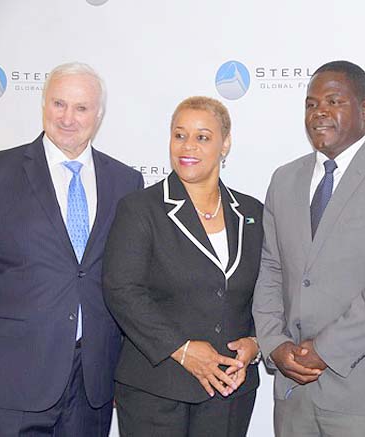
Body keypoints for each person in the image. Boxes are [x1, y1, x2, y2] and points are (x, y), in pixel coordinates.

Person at [0, 62, 143, 435]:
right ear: (44, 104)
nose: (67, 118)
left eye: (81, 108)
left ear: (98, 115)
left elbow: (128, 281)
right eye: (58, 104)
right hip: (9, 380)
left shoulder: (126, 181)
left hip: (92, 384)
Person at [252, 60, 365, 437]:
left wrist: (326, 350)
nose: (319, 112)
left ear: (364, 110)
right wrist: (274, 344)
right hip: (292, 391)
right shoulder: (284, 179)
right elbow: (270, 270)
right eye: (311, 103)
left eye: (334, 101)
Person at [102, 96, 263, 436]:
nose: (188, 146)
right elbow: (122, 290)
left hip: (229, 391)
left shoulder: (253, 213)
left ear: (225, 143)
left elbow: (270, 289)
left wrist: (257, 341)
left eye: (202, 136)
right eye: (179, 135)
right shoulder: (140, 209)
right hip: (156, 391)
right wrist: (183, 349)